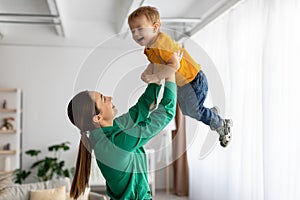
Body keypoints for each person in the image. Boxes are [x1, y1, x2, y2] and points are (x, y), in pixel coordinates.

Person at [128, 6, 233, 147]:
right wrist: (147, 73)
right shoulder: (149, 48)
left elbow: (174, 65)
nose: (135, 34)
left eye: (140, 29)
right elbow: (154, 63)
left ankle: (221, 124)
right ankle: (211, 113)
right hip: (183, 84)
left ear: (155, 27)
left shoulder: (161, 43)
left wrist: (155, 77)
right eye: (132, 31)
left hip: (193, 80)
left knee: (193, 110)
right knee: (187, 110)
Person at [67, 72, 177, 199]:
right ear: (98, 117)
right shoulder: (113, 145)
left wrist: (156, 75)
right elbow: (166, 112)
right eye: (103, 99)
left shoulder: (110, 129)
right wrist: (170, 72)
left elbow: (141, 108)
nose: (110, 98)